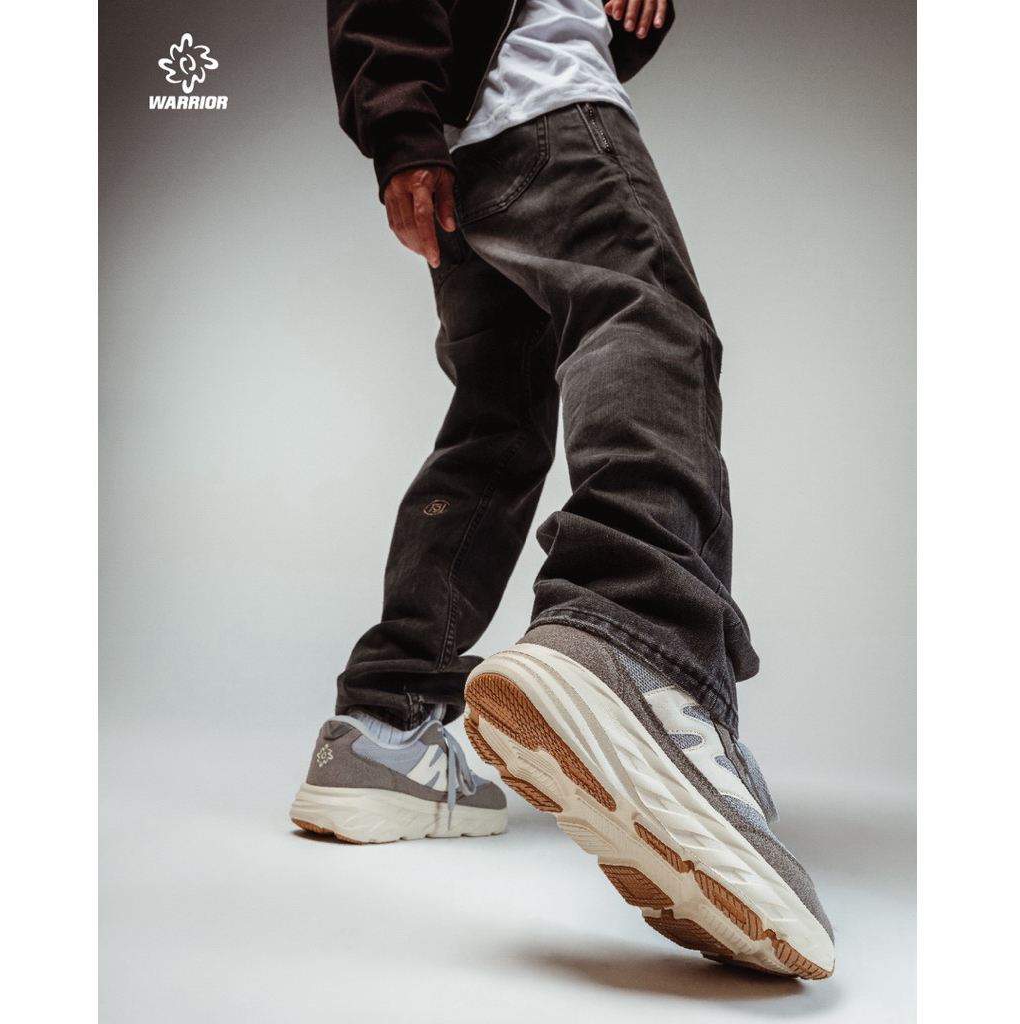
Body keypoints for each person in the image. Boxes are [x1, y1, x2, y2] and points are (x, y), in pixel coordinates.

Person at [290, 0, 835, 979]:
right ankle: (635, 645)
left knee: (497, 428)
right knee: (650, 322)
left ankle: (384, 726)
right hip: (544, 112)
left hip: (470, 162)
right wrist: (400, 129)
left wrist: (414, 129)